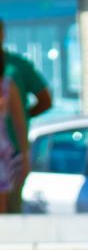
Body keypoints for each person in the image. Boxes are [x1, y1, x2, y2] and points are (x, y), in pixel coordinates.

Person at [0, 19, 52, 213]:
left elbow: (45, 100)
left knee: (9, 209)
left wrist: (19, 116)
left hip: (9, 152)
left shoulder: (16, 68)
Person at [0, 48, 29, 215]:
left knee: (3, 204)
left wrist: (25, 156)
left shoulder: (7, 86)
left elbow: (20, 122)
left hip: (3, 152)